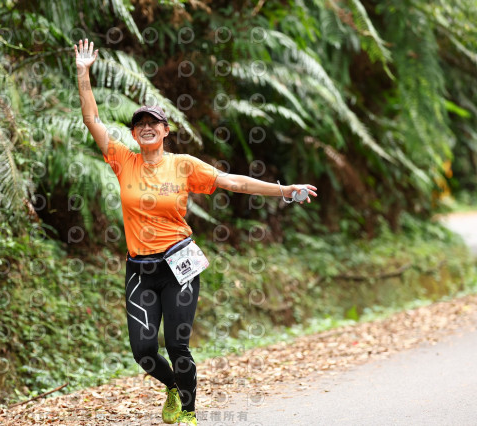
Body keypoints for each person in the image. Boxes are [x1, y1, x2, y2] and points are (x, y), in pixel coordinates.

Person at [73, 39, 317, 425]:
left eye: (153, 123)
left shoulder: (184, 165)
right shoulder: (123, 160)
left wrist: (284, 190)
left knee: (178, 344)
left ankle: (188, 413)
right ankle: (172, 386)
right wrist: (83, 73)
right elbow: (92, 119)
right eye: (140, 125)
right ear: (134, 134)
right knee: (144, 351)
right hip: (140, 269)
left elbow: (233, 182)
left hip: (179, 263)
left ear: (166, 130)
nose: (147, 128)